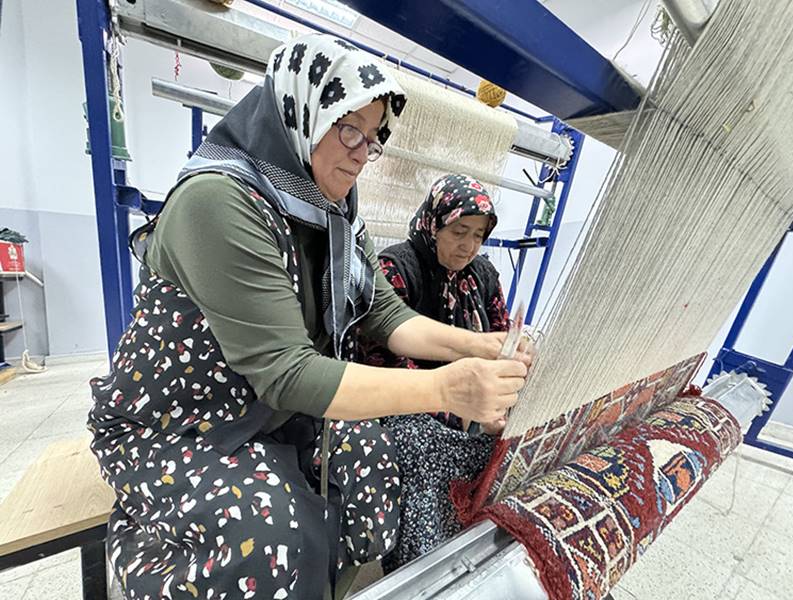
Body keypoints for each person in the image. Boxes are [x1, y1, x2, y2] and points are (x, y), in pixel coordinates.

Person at [87, 34, 527, 600]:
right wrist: (449, 389)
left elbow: (384, 316)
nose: (360, 152)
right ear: (299, 111)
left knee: (372, 466)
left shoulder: (332, 215)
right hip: (180, 425)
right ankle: (160, 554)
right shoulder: (219, 202)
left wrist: (483, 348)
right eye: (348, 129)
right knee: (274, 537)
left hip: (268, 413)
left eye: (373, 139)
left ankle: (324, 585)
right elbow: (286, 371)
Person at [359, 174, 513, 571]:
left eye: (479, 235)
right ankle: (429, 574)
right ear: (434, 222)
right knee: (422, 452)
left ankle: (493, 561)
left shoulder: (483, 276)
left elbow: (502, 338)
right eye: (459, 231)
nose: (469, 245)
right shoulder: (397, 269)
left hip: (472, 409)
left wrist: (507, 381)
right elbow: (383, 360)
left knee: (513, 452)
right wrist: (458, 408)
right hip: (406, 407)